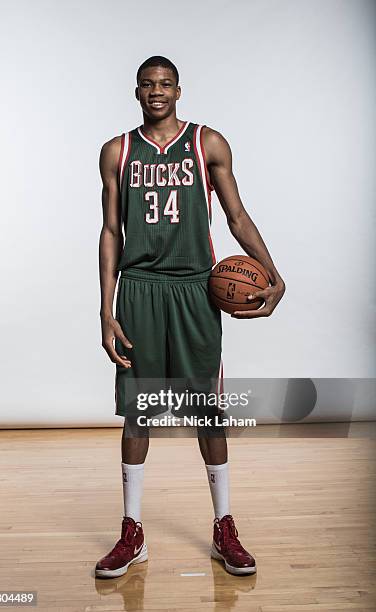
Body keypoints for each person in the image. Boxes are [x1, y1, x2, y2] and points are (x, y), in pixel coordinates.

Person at [95, 56, 285, 579]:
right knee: (139, 413)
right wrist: (106, 309)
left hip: (195, 289)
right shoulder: (118, 151)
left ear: (179, 90)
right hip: (138, 289)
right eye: (148, 84)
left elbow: (236, 216)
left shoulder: (208, 144)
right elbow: (111, 231)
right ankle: (132, 531)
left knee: (208, 410)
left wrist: (272, 272)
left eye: (166, 84)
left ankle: (225, 525)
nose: (157, 92)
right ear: (137, 91)